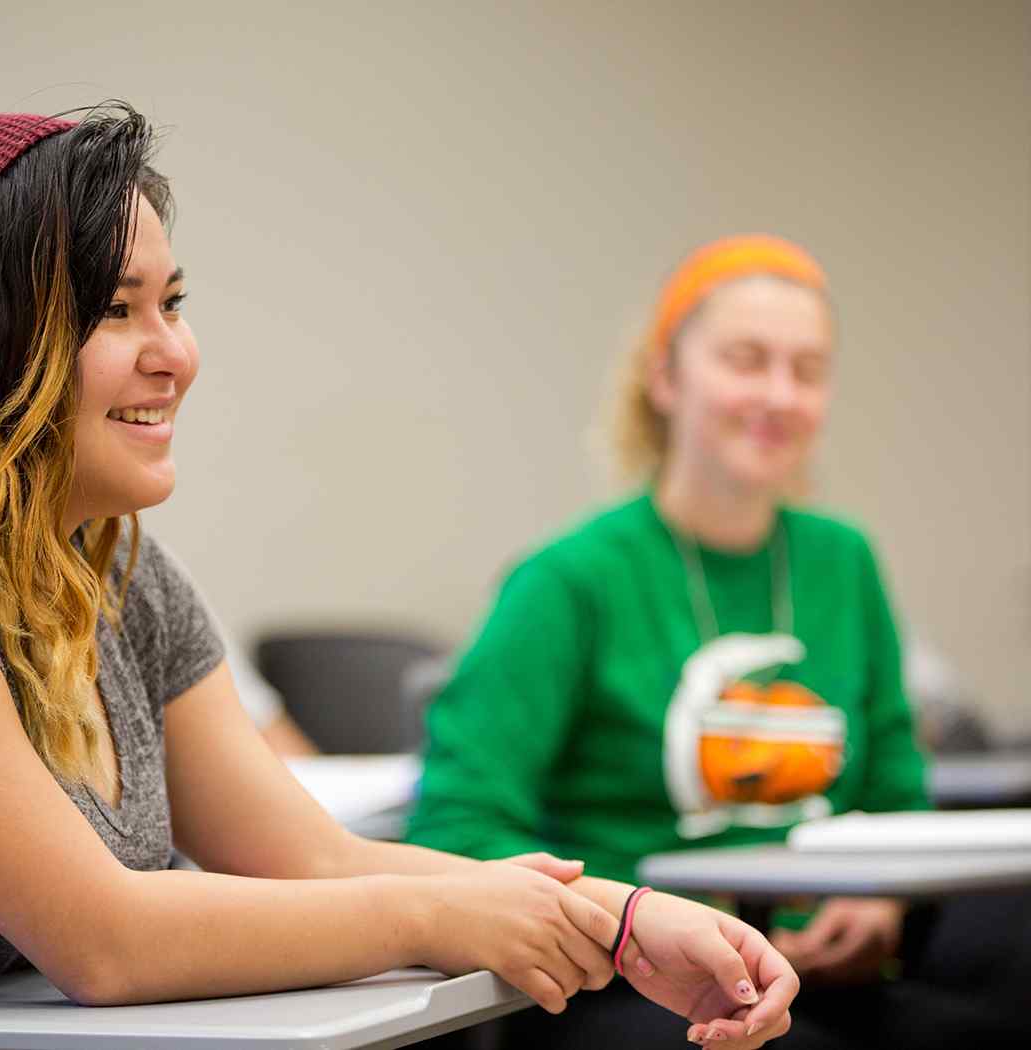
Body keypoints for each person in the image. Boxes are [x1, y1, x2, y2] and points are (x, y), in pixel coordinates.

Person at [0, 108, 798, 1050]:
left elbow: (316, 859)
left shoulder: (114, 571)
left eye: (171, 304)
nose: (172, 354)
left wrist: (628, 919)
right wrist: (450, 910)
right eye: (111, 311)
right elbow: (109, 941)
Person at [406, 234, 1029, 1047]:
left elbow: (894, 794)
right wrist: (637, 925)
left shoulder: (844, 561)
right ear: (665, 378)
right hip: (638, 985)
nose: (778, 393)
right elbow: (457, 825)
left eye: (807, 370)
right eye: (746, 359)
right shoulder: (569, 580)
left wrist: (875, 903)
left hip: (821, 971)